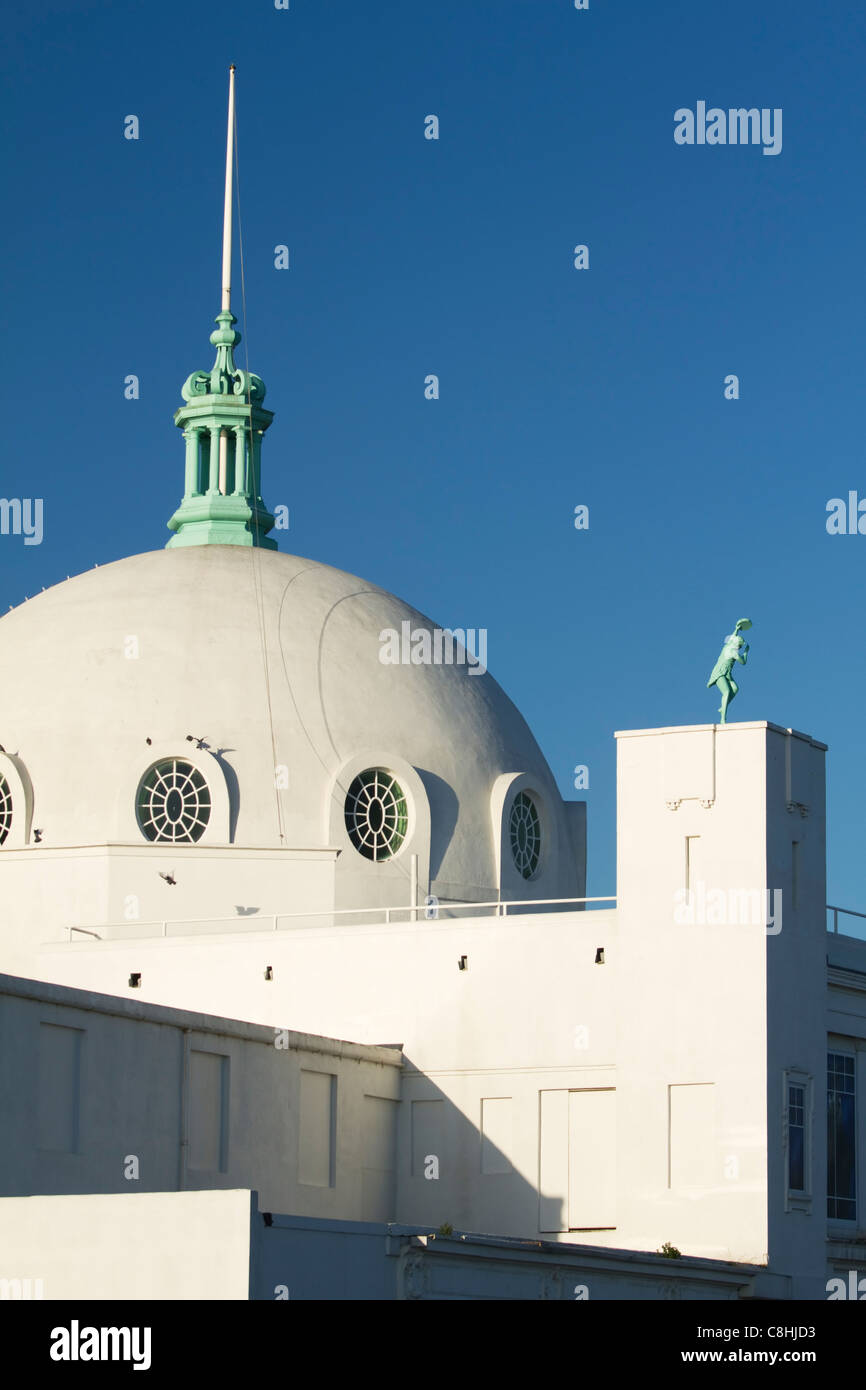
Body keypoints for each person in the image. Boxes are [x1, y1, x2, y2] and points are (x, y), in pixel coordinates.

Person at [706, 619, 752, 724]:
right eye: (740, 646)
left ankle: (723, 706)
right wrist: (746, 652)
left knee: (735, 689)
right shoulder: (733, 653)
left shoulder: (727, 645)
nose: (739, 647)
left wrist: (736, 630)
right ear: (738, 646)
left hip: (727, 674)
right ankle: (723, 718)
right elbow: (743, 662)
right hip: (720, 673)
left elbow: (731, 638)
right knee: (726, 691)